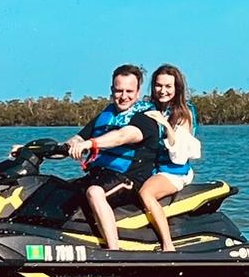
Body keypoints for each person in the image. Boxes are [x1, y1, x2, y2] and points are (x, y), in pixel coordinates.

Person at [60, 64, 161, 251]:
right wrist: (38, 149)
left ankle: (113, 250)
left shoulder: (145, 118)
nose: (124, 96)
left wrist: (90, 144)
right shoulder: (106, 115)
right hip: (101, 175)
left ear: (138, 92)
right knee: (58, 190)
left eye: (129, 91)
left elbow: (123, 136)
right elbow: (78, 138)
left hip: (129, 180)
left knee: (94, 192)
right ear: (111, 90)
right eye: (119, 90)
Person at [136, 64, 200, 252]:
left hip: (174, 171)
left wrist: (165, 124)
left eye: (168, 86)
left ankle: (168, 244)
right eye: (158, 85)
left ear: (176, 88)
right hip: (152, 168)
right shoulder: (148, 108)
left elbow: (179, 154)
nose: (162, 91)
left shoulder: (183, 114)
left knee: (146, 193)